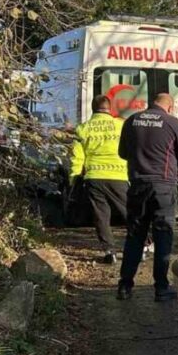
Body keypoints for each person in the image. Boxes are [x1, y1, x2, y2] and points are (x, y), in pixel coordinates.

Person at [116, 92, 178, 301]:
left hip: (138, 185)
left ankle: (125, 286)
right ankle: (161, 287)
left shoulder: (132, 120)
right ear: (170, 107)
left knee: (135, 236)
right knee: (163, 236)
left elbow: (122, 153)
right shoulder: (171, 122)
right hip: (163, 186)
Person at [70, 95, 128, 264]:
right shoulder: (121, 126)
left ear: (93, 108)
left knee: (101, 216)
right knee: (129, 213)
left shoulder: (83, 128)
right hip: (119, 176)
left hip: (94, 177)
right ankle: (143, 244)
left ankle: (109, 251)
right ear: (109, 108)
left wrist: (73, 179)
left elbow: (77, 158)